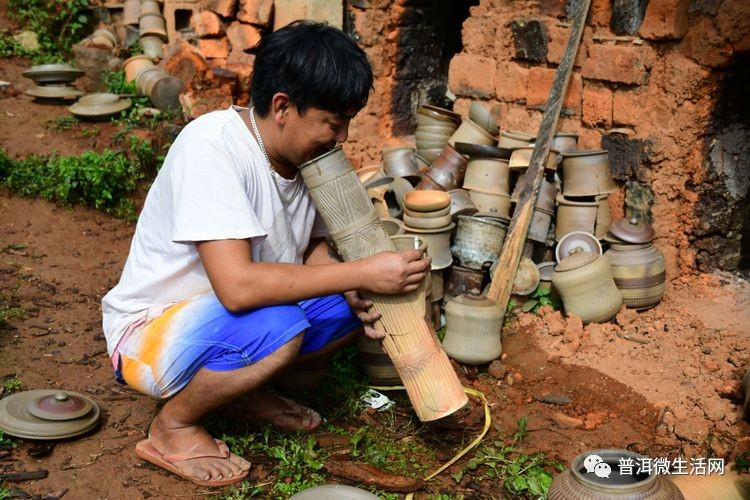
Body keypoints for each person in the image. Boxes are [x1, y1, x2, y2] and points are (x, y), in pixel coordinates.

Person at [101, 20, 431, 487]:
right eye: (333, 124)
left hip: (236, 317)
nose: (341, 138)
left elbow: (315, 247)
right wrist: (362, 270)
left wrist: (356, 284)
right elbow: (237, 289)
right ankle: (172, 426)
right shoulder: (212, 147)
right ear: (282, 107)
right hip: (151, 330)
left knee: (349, 301)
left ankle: (239, 391)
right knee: (282, 327)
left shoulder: (307, 160)